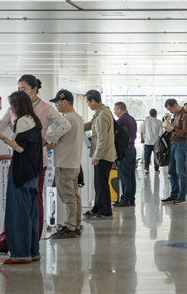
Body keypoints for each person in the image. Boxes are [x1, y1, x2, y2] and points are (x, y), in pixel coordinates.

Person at [0, 74, 71, 255]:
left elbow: (65, 125)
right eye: (18, 89)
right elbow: (3, 123)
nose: (20, 91)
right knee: (14, 202)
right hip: (18, 159)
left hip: (35, 161)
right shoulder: (16, 107)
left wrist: (46, 140)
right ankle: (7, 240)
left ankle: (31, 242)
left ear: (34, 89)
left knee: (32, 202)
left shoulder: (45, 108)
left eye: (23, 89)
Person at [0, 91, 43, 264]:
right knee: (30, 213)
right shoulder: (33, 120)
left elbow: (19, 148)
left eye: (12, 105)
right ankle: (32, 252)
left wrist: (1, 137)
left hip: (21, 174)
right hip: (32, 172)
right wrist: (2, 156)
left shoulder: (22, 121)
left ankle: (20, 254)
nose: (11, 109)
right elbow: (25, 151)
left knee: (18, 213)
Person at [48, 90, 84, 239]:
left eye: (57, 102)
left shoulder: (66, 119)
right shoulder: (77, 118)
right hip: (74, 162)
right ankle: (76, 224)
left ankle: (70, 226)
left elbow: (52, 141)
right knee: (74, 195)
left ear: (64, 101)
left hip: (65, 163)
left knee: (68, 195)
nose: (56, 105)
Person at [83, 90, 117, 220]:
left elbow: (102, 138)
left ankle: (105, 211)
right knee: (98, 183)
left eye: (87, 102)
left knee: (101, 184)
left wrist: (96, 156)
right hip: (104, 154)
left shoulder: (102, 115)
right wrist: (76, 126)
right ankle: (97, 208)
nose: (87, 104)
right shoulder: (101, 112)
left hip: (103, 156)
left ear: (93, 101)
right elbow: (92, 125)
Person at [161, 99, 187, 205]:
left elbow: (186, 133)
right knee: (172, 171)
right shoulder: (176, 116)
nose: (170, 112)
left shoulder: (186, 116)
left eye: (170, 109)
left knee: (181, 172)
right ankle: (174, 194)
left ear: (175, 106)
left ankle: (182, 197)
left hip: (181, 145)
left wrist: (173, 129)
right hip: (173, 145)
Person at [113, 102, 137, 207]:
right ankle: (131, 199)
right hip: (132, 149)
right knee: (131, 175)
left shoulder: (121, 120)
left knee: (124, 175)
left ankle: (126, 199)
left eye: (115, 109)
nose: (114, 112)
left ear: (120, 109)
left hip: (124, 150)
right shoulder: (131, 119)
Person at [140, 109, 163, 174]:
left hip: (147, 141)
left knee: (147, 156)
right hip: (156, 142)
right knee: (156, 155)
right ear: (156, 114)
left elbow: (141, 130)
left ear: (150, 114)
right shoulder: (159, 122)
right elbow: (161, 133)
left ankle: (146, 169)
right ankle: (156, 169)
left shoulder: (146, 121)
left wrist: (142, 138)